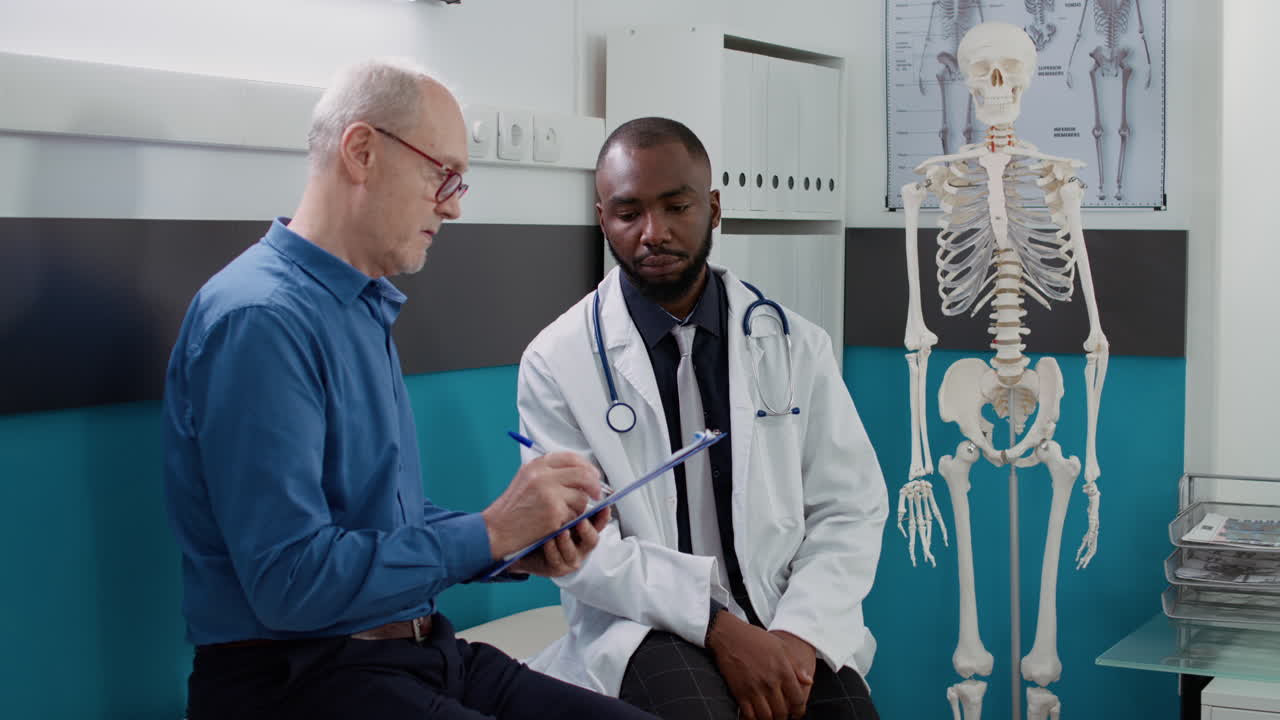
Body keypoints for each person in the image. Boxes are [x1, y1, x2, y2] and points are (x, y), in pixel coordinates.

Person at [161, 58, 658, 720]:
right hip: (298, 680)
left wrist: (515, 542)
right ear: (362, 151)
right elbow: (291, 583)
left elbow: (377, 522)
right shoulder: (260, 321)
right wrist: (487, 531)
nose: (453, 204)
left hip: (410, 654)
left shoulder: (357, 305)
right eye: (441, 173)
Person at [516, 117, 889, 720]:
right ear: (602, 216)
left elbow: (849, 506)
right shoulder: (558, 361)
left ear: (713, 208)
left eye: (676, 207)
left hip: (779, 611)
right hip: (641, 623)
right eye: (627, 212)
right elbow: (583, 547)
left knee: (846, 712)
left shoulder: (795, 344)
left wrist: (798, 634)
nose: (652, 233)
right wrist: (717, 627)